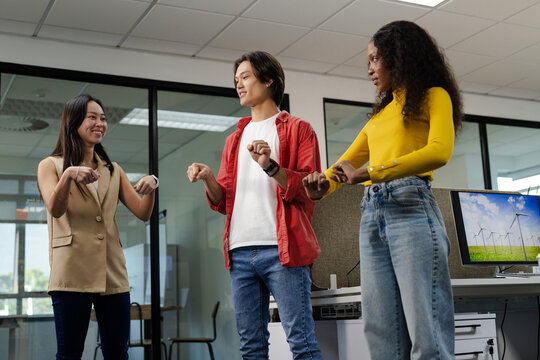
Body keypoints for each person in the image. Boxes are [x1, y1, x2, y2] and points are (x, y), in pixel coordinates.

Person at [303, 20, 463, 360]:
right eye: (369, 62)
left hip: (411, 206)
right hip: (372, 213)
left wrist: (371, 172)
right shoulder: (380, 116)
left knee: (427, 334)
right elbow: (342, 168)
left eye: (375, 59)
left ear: (398, 56)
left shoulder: (435, 95)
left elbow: (439, 151)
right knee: (381, 334)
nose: (370, 70)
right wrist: (322, 185)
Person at [187, 51, 323, 360]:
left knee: (301, 343)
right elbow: (223, 201)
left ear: (269, 79)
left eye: (245, 77)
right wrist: (209, 178)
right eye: (236, 80)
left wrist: (270, 166)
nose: (239, 84)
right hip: (239, 252)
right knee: (251, 348)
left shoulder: (298, 129)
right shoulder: (234, 139)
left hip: (282, 250)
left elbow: (306, 189)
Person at [37, 94, 159, 359]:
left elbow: (142, 213)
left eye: (103, 118)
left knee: (118, 353)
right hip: (71, 273)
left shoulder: (113, 170)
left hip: (112, 274)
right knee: (69, 354)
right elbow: (55, 209)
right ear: (74, 122)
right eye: (92, 117)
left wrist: (152, 186)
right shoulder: (51, 165)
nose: (99, 123)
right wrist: (69, 175)